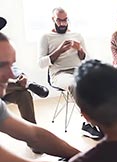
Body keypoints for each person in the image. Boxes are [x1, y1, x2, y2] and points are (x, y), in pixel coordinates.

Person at [0, 32, 80, 162]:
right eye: (1, 65)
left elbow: (34, 134)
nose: (10, 74)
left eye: (12, 64)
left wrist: (80, 155)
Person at [38, 7, 103, 139]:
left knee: (100, 81)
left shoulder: (77, 35)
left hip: (80, 70)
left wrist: (79, 49)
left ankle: (104, 118)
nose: (62, 23)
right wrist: (60, 50)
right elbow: (41, 63)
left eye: (65, 20)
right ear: (53, 19)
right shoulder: (46, 37)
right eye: (59, 20)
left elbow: (87, 58)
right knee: (76, 84)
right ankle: (88, 123)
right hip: (59, 74)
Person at [0, 16, 49, 124]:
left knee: (24, 95)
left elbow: (11, 65)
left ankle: (32, 128)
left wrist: (21, 76)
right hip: (5, 85)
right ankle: (27, 84)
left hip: (6, 88)